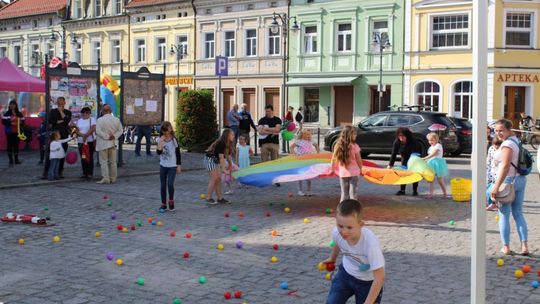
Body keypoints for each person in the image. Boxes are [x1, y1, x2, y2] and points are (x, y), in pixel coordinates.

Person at [321, 199, 385, 304]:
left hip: (368, 282)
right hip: (345, 275)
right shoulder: (337, 233)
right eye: (340, 226)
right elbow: (338, 242)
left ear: (361, 225)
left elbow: (380, 277)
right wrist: (332, 258)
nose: (344, 232)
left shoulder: (370, 244)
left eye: (349, 227)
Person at [490, 119, 529, 256]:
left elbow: (505, 166)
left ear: (509, 129)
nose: (498, 133)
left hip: (507, 181)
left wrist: (496, 186)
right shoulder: (516, 140)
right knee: (518, 213)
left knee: (504, 215)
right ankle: (524, 246)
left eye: (501, 130)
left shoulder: (507, 144)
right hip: (520, 179)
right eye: (496, 130)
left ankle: (505, 247)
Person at [330, 126, 363, 202]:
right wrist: (361, 169)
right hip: (354, 173)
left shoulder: (338, 145)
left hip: (343, 173)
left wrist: (332, 169)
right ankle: (354, 210)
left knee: (344, 194)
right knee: (353, 194)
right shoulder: (355, 146)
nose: (356, 135)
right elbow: (359, 160)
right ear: (349, 135)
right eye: (354, 134)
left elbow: (334, 159)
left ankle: (342, 211)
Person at [42, 97, 72, 179]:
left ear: (65, 103)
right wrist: (61, 120)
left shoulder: (68, 112)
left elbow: (67, 120)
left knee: (61, 154)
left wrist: (61, 112)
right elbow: (51, 120)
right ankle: (47, 172)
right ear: (57, 103)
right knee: (50, 155)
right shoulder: (52, 111)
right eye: (59, 102)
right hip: (54, 136)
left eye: (62, 102)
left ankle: (59, 172)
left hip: (64, 135)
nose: (60, 104)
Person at [388, 127, 423, 196]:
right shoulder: (397, 142)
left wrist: (413, 164)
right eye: (399, 135)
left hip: (414, 158)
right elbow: (393, 153)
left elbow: (415, 154)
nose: (401, 137)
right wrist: (390, 164)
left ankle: (415, 191)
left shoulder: (413, 142)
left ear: (407, 136)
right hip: (404, 157)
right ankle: (402, 190)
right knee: (403, 174)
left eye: (403, 136)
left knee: (414, 174)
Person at [156, 121, 182, 212]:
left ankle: (171, 201)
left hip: (172, 166)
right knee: (163, 185)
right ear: (162, 131)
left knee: (170, 184)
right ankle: (163, 204)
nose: (167, 133)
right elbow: (158, 152)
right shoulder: (159, 139)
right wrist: (161, 142)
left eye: (169, 130)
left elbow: (178, 153)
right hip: (163, 165)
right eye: (165, 131)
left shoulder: (174, 140)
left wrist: (178, 165)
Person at [204, 128, 234, 205]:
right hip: (209, 160)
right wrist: (224, 169)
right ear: (227, 135)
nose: (233, 136)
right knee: (214, 178)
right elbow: (221, 157)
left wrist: (231, 165)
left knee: (218, 179)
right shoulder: (222, 143)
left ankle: (220, 198)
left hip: (215, 161)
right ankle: (208, 198)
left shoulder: (228, 143)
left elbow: (228, 155)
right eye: (232, 134)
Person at [95, 105, 123, 184]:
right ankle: (113, 178)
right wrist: (113, 136)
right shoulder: (116, 119)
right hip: (112, 143)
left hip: (103, 143)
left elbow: (98, 131)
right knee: (113, 162)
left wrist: (107, 137)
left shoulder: (99, 120)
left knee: (103, 162)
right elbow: (120, 130)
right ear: (110, 111)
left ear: (102, 111)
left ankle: (106, 178)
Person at [291, 129, 320, 196]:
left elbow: (316, 146)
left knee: (308, 176)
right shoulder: (299, 141)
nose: (308, 136)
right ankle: (300, 190)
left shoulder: (311, 141)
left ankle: (309, 191)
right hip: (300, 161)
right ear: (302, 135)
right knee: (300, 176)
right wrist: (294, 154)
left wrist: (318, 153)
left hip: (308, 161)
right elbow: (291, 147)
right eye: (307, 134)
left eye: (309, 134)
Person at [422, 132, 449, 198]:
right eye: (429, 140)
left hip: (438, 164)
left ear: (436, 139)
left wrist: (425, 158)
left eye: (432, 140)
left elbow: (433, 154)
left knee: (440, 180)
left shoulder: (438, 145)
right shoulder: (430, 147)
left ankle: (445, 193)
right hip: (431, 163)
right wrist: (425, 160)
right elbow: (430, 156)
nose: (430, 141)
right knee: (431, 180)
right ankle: (430, 194)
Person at [75, 107, 96, 179]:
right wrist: (82, 135)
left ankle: (90, 173)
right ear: (83, 113)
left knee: (89, 156)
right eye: (85, 113)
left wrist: (86, 135)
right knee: (83, 157)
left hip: (90, 141)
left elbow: (93, 128)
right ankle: (84, 173)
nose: (87, 114)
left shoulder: (92, 119)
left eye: (88, 113)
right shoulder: (79, 121)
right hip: (81, 142)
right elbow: (76, 131)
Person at [2, 100, 25, 165]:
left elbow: (23, 121)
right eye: (11, 104)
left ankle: (16, 159)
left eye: (13, 104)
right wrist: (11, 123)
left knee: (16, 145)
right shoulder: (7, 113)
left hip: (17, 132)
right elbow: (3, 122)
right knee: (9, 145)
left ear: (16, 105)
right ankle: (10, 160)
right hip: (9, 132)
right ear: (9, 105)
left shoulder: (19, 113)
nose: (12, 106)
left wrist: (20, 122)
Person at [486, 137, 503, 211]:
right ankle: (492, 203)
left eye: (498, 145)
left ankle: (495, 203)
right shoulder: (491, 149)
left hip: (499, 173)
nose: (496, 147)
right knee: (489, 189)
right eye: (495, 145)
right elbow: (488, 160)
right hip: (491, 172)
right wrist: (488, 171)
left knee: (496, 189)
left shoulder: (502, 150)